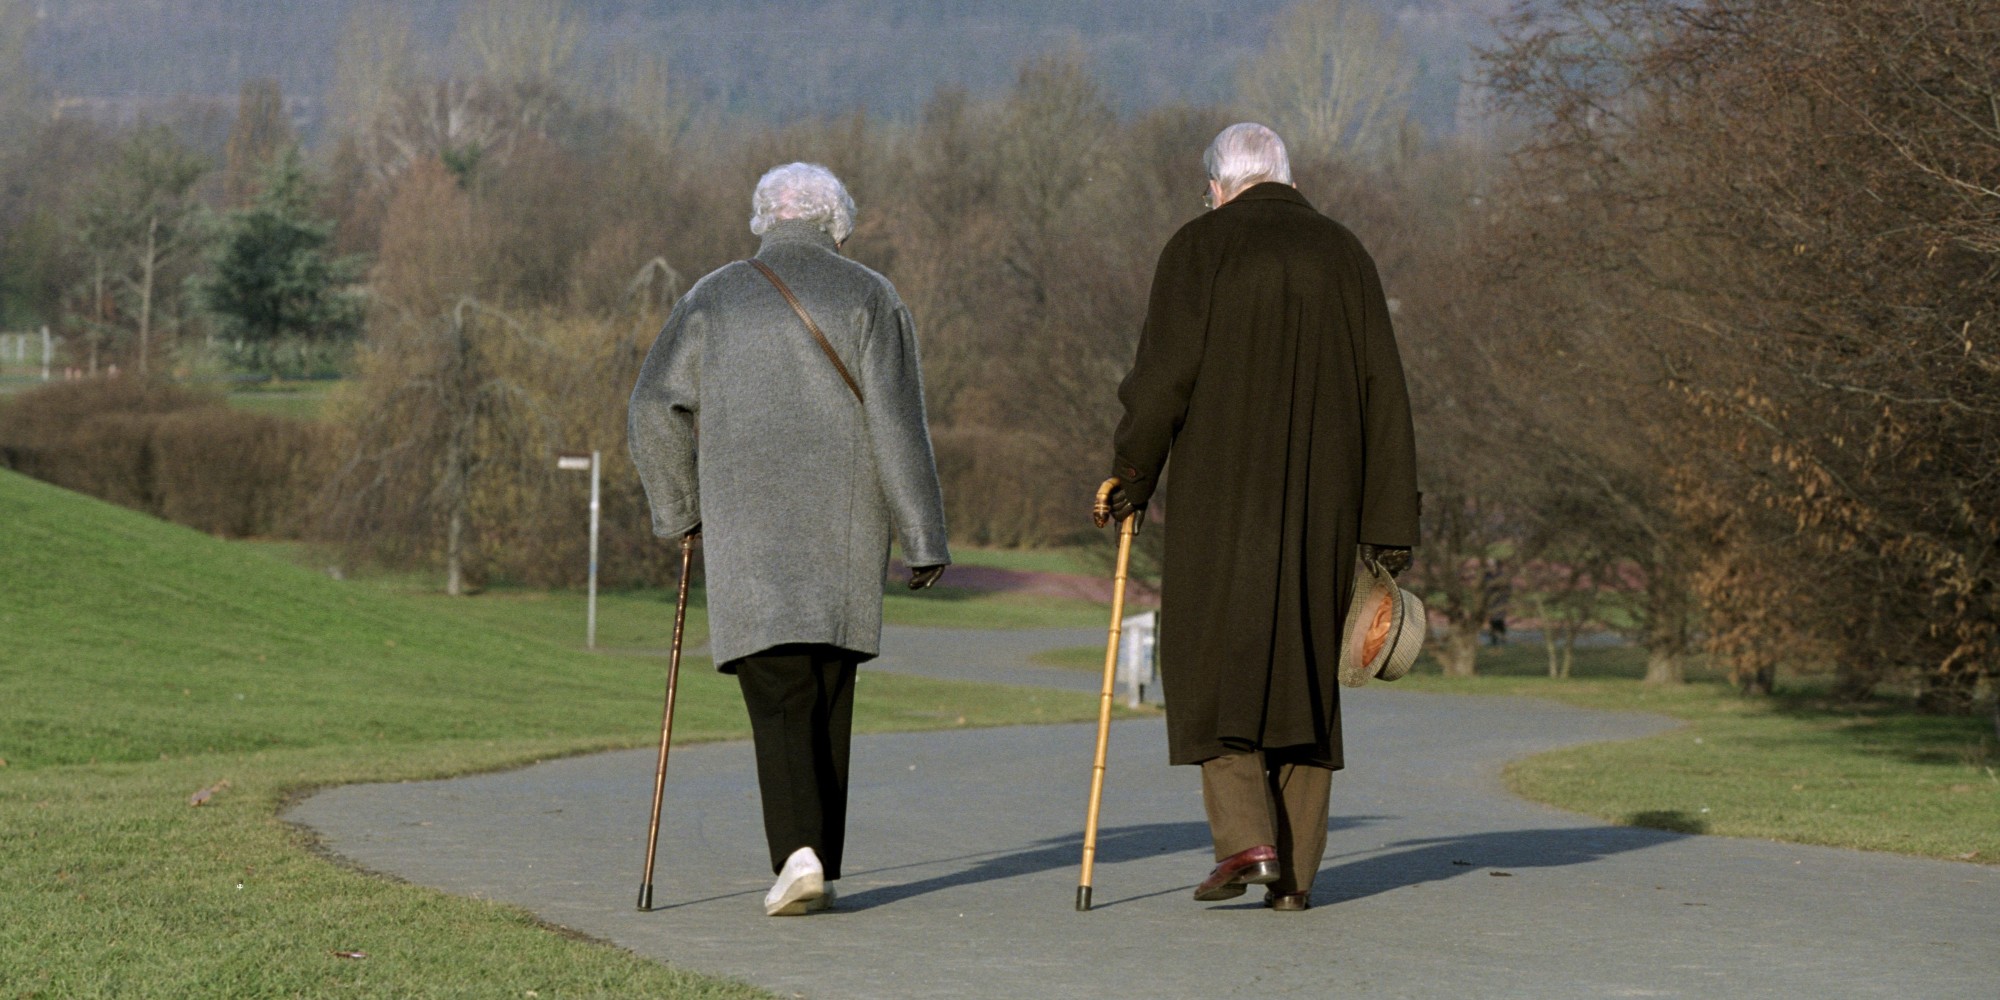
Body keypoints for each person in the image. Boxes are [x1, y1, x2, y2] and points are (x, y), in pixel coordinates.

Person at [1098, 124, 1420, 911]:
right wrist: (1389, 524)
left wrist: (1131, 476)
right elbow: (1387, 390)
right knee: (1308, 675)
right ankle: (1296, 878)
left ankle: (1247, 841)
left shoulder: (1199, 247)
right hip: (1325, 506)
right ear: (1285, 175)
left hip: (1222, 500)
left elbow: (1162, 379)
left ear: (1219, 183)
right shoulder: (1345, 254)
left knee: (1212, 660)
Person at [628, 163, 951, 916]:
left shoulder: (712, 296)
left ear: (762, 221)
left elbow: (652, 403)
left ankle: (800, 859)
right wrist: (922, 534)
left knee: (777, 692)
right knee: (828, 692)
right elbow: (899, 423)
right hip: (846, 535)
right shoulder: (871, 294)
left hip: (749, 537)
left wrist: (679, 508)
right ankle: (814, 860)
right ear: (836, 223)